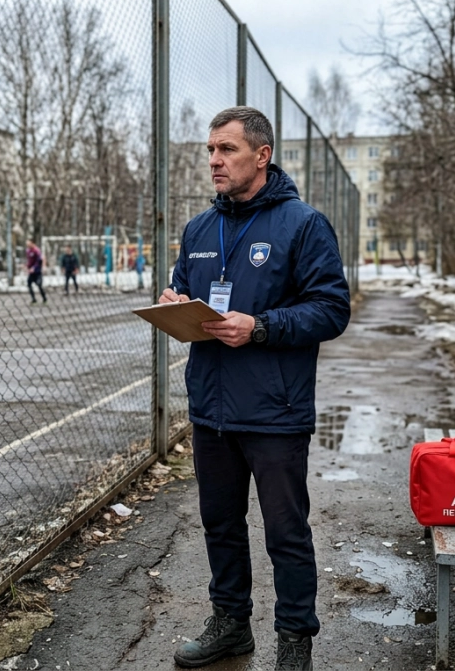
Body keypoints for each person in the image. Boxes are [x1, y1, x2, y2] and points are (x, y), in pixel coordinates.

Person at [159, 107, 349, 671]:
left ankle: (294, 642)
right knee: (220, 523)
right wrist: (174, 307)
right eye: (210, 151)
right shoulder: (199, 228)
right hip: (211, 408)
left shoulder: (302, 224)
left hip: (274, 410)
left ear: (261, 156)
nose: (215, 161)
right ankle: (231, 625)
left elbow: (331, 309)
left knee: (285, 532)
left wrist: (261, 326)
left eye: (227, 150)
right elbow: (185, 292)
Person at [26, 239, 47, 304]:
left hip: (37, 272)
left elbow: (39, 261)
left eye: (29, 244)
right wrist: (27, 266)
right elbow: (29, 261)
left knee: (39, 285)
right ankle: (33, 299)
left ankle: (44, 298)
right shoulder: (28, 251)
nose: (28, 245)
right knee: (29, 284)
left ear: (33, 243)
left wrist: (34, 268)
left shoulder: (37, 251)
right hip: (31, 272)